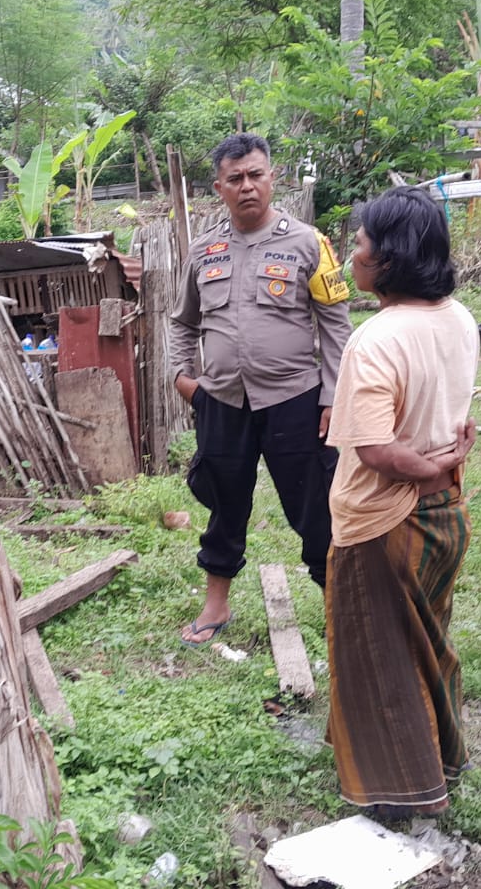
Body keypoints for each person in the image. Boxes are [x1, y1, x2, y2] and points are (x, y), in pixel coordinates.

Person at [323, 185, 479, 820]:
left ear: (387, 257)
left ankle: (402, 788)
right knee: (427, 641)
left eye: (359, 243)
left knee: (378, 653)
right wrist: (446, 463)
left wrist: (429, 464)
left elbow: (378, 453)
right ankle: (444, 755)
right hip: (446, 518)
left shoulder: (377, 339)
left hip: (385, 522)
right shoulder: (459, 318)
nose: (350, 254)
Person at [168, 132, 352, 645]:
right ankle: (216, 604)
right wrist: (183, 377)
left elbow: (337, 326)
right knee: (225, 502)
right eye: (236, 179)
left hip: (295, 399)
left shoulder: (309, 243)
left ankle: (337, 602)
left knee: (314, 505)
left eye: (256, 175)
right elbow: (182, 320)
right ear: (219, 188)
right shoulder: (205, 249)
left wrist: (334, 396)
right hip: (223, 401)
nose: (247, 186)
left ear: (272, 178)